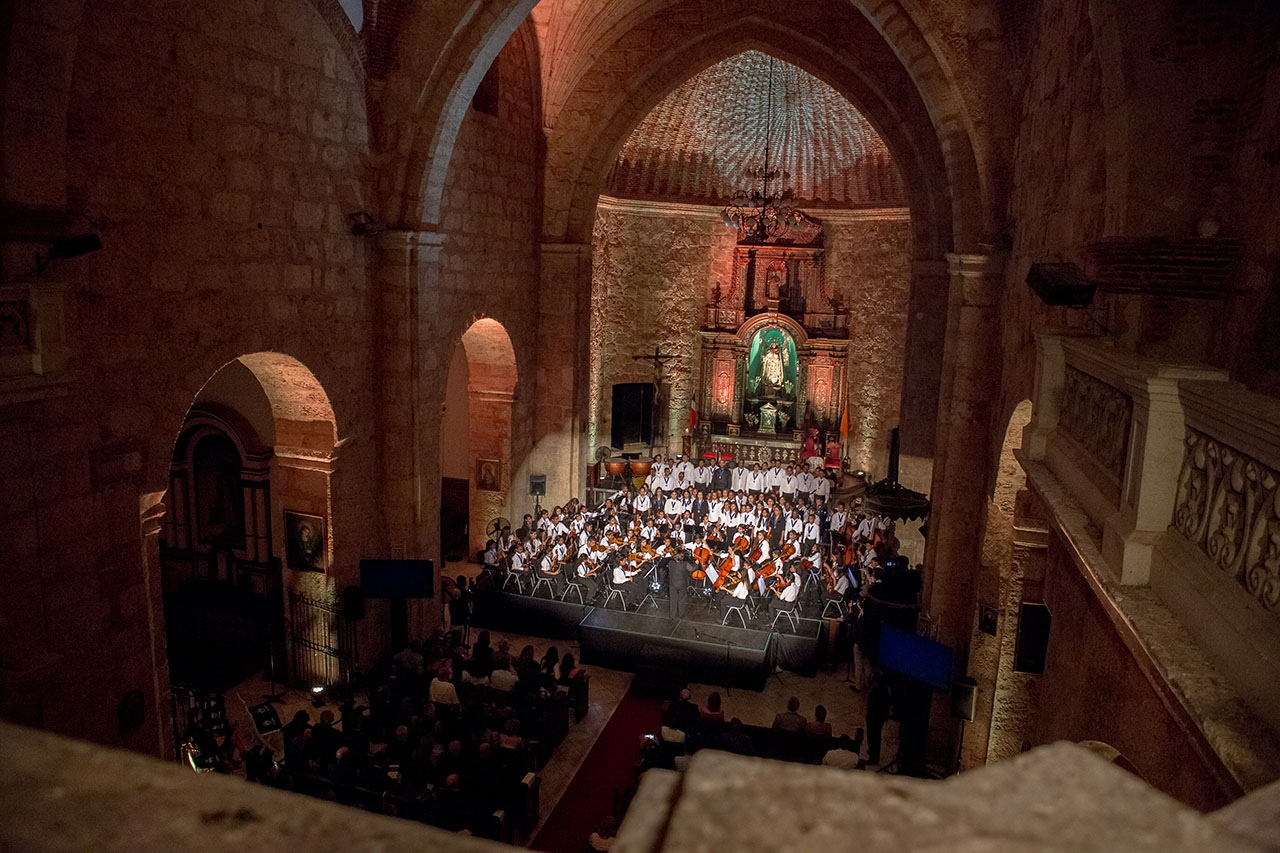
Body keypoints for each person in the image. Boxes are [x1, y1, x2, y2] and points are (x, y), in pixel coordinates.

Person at [866, 675, 891, 765]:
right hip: (879, 719)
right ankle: (873, 752)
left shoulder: (876, 693)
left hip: (874, 719)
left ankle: (874, 758)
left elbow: (872, 706)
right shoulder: (885, 691)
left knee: (873, 737)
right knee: (875, 737)